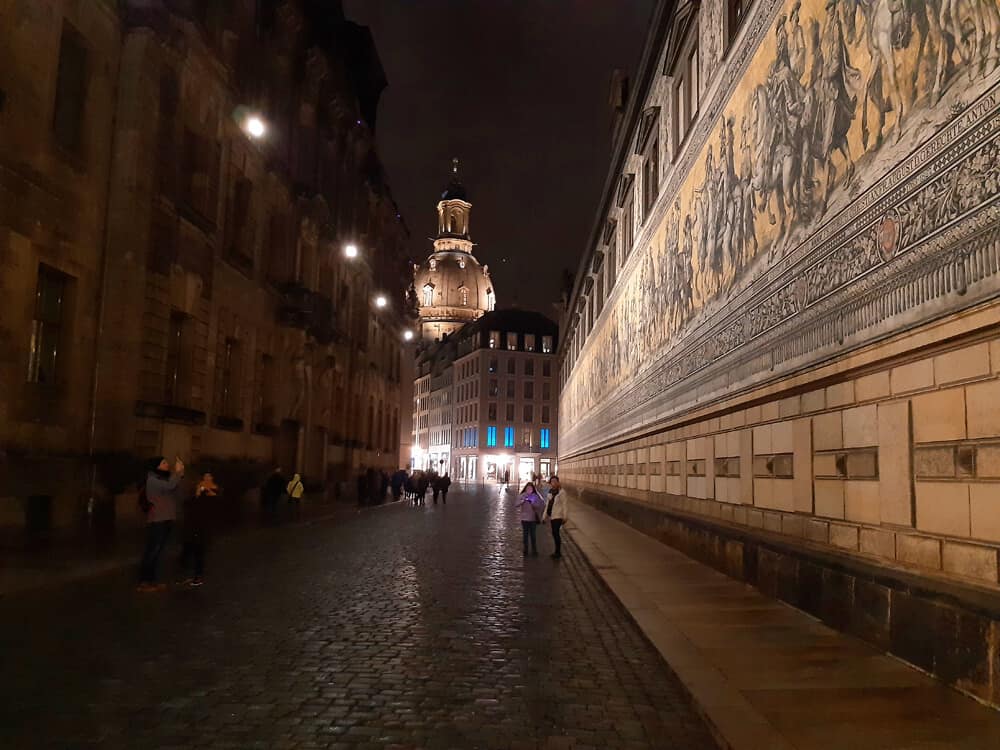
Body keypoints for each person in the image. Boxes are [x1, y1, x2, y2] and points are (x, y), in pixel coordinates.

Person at [138, 456, 184, 592]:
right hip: (157, 520)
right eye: (163, 463)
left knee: (158, 552)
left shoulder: (164, 478)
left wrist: (179, 475)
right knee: (152, 551)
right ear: (156, 466)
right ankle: (144, 582)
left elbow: (174, 490)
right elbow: (170, 486)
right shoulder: (152, 480)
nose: (167, 464)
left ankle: (152, 581)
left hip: (166, 519)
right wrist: (178, 473)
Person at [180, 472, 217, 587]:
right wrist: (197, 493)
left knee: (199, 552)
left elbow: (214, 504)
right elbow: (188, 504)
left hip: (201, 529)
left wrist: (206, 491)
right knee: (190, 551)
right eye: (205, 476)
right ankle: (190, 575)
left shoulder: (212, 491)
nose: (207, 479)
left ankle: (197, 576)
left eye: (209, 476)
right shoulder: (197, 491)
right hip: (193, 527)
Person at [517, 482, 544, 557]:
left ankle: (534, 550)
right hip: (524, 519)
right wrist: (522, 501)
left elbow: (539, 506)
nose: (529, 490)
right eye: (528, 488)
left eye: (530, 488)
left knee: (533, 535)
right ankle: (525, 550)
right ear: (525, 489)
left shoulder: (535, 496)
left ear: (533, 489)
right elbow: (516, 504)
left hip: (532, 519)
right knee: (525, 535)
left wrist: (533, 504)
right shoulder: (522, 495)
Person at [543, 476, 567, 559]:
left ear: (558, 482)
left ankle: (558, 552)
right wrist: (544, 516)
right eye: (552, 481)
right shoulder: (550, 491)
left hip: (558, 515)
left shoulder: (561, 492)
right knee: (554, 533)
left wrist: (565, 517)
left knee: (556, 533)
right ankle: (557, 551)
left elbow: (564, 505)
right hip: (552, 515)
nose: (553, 483)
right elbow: (547, 505)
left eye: (554, 481)